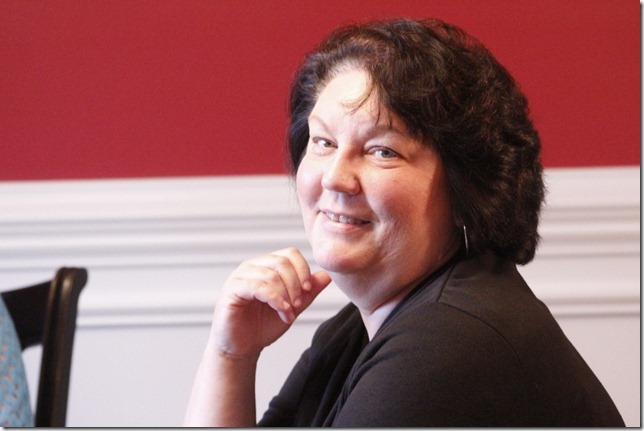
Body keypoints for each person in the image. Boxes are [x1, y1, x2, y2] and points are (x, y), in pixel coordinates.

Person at [183, 18, 624, 427]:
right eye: (323, 142)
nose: (335, 176)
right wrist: (230, 355)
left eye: (383, 151)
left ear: (466, 188)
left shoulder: (447, 342)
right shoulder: (355, 331)